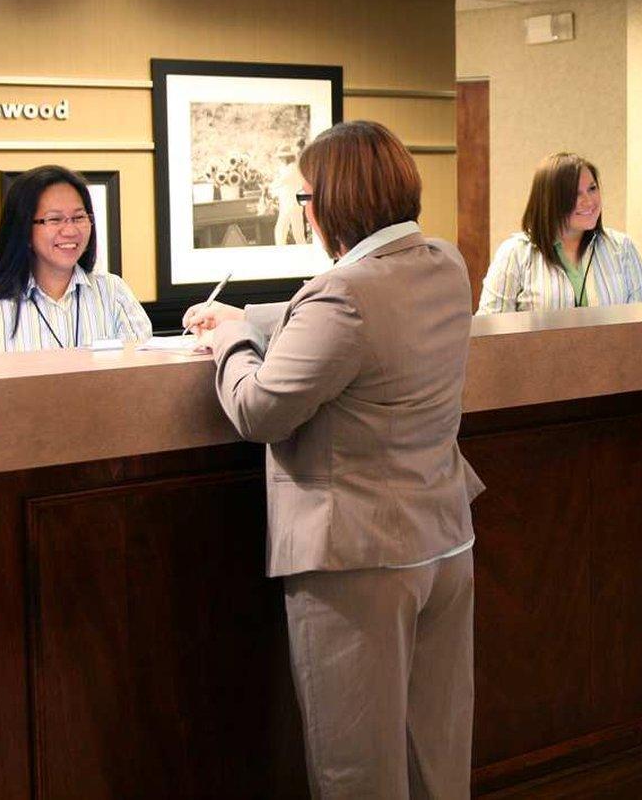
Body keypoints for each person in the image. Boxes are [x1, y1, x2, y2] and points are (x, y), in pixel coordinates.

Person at [183, 120, 481, 799]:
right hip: (441, 541)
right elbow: (347, 330)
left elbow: (261, 409)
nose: (302, 214)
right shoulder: (446, 263)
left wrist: (231, 342)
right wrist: (253, 322)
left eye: (301, 199)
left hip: (359, 560)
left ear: (332, 201)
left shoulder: (343, 295)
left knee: (359, 772)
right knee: (435, 757)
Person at [0, 165, 151, 353]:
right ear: (23, 229)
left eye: (78, 218)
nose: (70, 230)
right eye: (54, 219)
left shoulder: (113, 293)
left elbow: (146, 371)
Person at [477, 152, 642, 314]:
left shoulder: (622, 247)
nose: (589, 201)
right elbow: (490, 331)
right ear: (550, 201)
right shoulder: (515, 253)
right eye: (575, 194)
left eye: (592, 189)